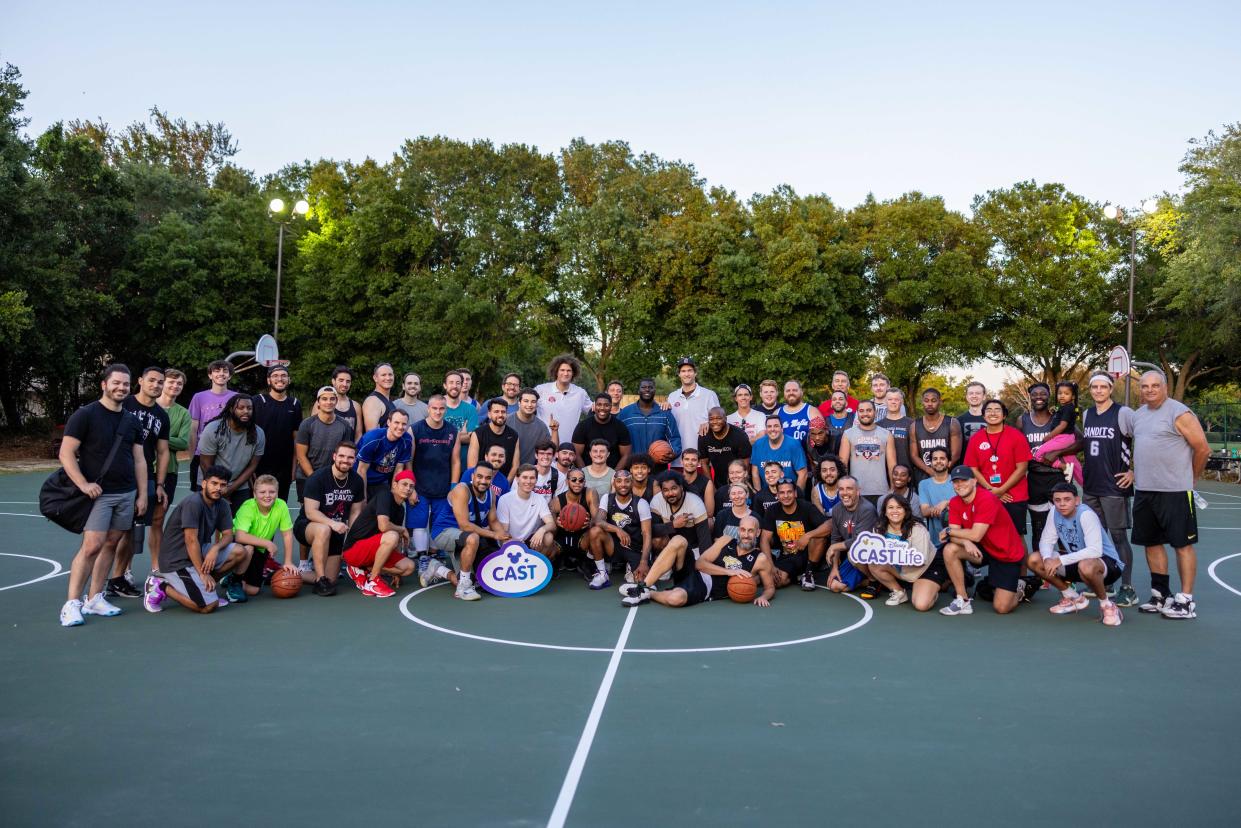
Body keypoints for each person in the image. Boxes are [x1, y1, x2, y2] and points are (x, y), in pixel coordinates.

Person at [57, 364, 148, 627]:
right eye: (116, 383)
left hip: (126, 492)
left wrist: (142, 494)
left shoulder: (131, 420)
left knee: (111, 544)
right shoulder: (85, 415)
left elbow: (140, 460)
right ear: (104, 385)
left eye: (125, 384)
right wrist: (84, 484)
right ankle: (71, 604)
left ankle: (95, 598)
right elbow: (66, 453)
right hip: (99, 494)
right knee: (92, 546)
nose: (121, 388)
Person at [1130, 370, 1210, 619]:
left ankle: (1185, 601)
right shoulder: (1138, 416)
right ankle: (1160, 594)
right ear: (1140, 390)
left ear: (1164, 387)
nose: (1150, 390)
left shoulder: (1179, 412)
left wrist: (1191, 478)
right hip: (1145, 491)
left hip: (1175, 491)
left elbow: (1203, 449)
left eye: (1155, 385)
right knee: (1151, 542)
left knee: (1181, 544)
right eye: (1145, 386)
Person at [1062, 373, 1137, 606]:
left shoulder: (1123, 413)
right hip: (1092, 485)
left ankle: (1127, 587)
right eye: (1094, 387)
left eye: (1103, 387)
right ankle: (1107, 583)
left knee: (1118, 536)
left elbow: (1143, 440)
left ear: (1111, 388)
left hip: (1115, 485)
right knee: (1097, 537)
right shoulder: (1087, 414)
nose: (1098, 391)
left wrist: (1133, 471)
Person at [106, 366, 170, 599]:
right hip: (119, 475)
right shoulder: (125, 405)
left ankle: (117, 578)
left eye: (160, 382)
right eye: (151, 380)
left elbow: (162, 452)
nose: (156, 385)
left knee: (135, 530)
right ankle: (112, 578)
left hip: (146, 477)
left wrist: (160, 484)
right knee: (116, 532)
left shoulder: (162, 415)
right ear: (140, 381)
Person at [142, 465, 241, 615]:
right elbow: (190, 540)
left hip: (198, 552)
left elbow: (227, 534)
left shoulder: (223, 505)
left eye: (222, 485)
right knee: (208, 607)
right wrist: (202, 573)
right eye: (214, 483)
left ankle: (206, 590)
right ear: (204, 483)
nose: (218, 488)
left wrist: (215, 549)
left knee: (240, 552)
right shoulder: (193, 503)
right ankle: (161, 586)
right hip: (176, 560)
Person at [623, 517, 776, 609]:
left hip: (706, 588)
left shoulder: (760, 559)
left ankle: (649, 593)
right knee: (678, 540)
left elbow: (769, 587)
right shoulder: (726, 540)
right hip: (693, 571)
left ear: (757, 532)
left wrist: (764, 597)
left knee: (675, 599)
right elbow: (700, 563)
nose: (746, 535)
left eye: (750, 531)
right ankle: (642, 588)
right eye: (743, 530)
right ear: (738, 531)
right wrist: (729, 572)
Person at [937, 465, 1028, 617]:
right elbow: (954, 537)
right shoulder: (955, 502)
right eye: (956, 482)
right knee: (950, 549)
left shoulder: (986, 498)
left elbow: (975, 535)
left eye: (964, 480)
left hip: (1006, 553)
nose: (959, 485)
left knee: (1002, 607)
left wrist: (949, 531)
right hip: (983, 549)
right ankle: (962, 600)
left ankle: (1020, 589)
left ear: (974, 481)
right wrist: (965, 542)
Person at [1030, 482, 1124, 626]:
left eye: (1067, 499)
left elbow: (1095, 550)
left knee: (1086, 565)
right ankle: (1073, 597)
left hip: (1107, 565)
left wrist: (1060, 560)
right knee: (1035, 559)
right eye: (1057, 500)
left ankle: (1107, 605)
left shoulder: (1086, 515)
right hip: (1077, 562)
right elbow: (1046, 540)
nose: (1062, 504)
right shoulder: (1054, 512)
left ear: (1077, 500)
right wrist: (1048, 558)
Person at [294, 442, 366, 596]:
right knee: (324, 529)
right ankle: (320, 580)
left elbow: (355, 512)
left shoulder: (357, 481)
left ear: (354, 460)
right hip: (308, 527)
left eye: (350, 457)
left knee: (332, 579)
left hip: (336, 531)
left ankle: (290, 574)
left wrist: (350, 540)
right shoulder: (318, 477)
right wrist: (333, 523)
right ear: (334, 456)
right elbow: (311, 512)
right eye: (341, 456)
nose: (345, 460)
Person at [431, 464, 504, 601]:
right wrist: (494, 535)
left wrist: (507, 539)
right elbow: (464, 525)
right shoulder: (462, 490)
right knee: (473, 537)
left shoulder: (491, 494)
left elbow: (493, 522)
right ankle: (463, 587)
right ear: (472, 477)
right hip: (444, 532)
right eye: (479, 477)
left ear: (491, 480)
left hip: (466, 538)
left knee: (476, 579)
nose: (483, 481)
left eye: (488, 478)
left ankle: (438, 569)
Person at [340, 470, 418, 598]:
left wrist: (396, 573)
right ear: (394, 485)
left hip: (375, 549)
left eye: (411, 486)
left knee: (409, 567)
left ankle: (365, 569)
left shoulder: (400, 509)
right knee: (392, 535)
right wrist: (402, 529)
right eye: (404, 484)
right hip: (354, 549)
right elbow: (384, 526)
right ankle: (373, 581)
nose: (408, 489)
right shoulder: (385, 495)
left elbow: (396, 541)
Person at [962, 398, 1031, 542]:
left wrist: (1001, 490)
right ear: (983, 415)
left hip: (1014, 496)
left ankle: (1022, 565)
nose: (993, 413)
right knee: (991, 536)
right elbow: (972, 468)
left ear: (1004, 415)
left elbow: (1022, 468)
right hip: (987, 495)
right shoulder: (976, 438)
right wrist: (991, 489)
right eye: (989, 410)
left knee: (1017, 537)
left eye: (997, 410)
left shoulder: (1016, 436)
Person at [228, 474, 296, 601]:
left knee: (253, 590)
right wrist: (267, 543)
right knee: (248, 548)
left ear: (277, 493)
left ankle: (234, 574)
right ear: (254, 494)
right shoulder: (248, 507)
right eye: (262, 492)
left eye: (272, 492)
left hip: (258, 546)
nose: (267, 495)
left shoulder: (281, 505)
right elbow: (240, 536)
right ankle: (235, 581)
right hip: (233, 543)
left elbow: (287, 534)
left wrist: (288, 561)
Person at [408, 395, 459, 564]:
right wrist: (411, 487)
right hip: (420, 486)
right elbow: (409, 460)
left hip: (443, 487)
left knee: (439, 524)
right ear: (428, 409)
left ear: (446, 409)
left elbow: (456, 461)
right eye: (434, 408)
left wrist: (453, 487)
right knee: (419, 523)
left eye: (441, 408)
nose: (438, 412)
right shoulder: (414, 429)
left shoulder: (452, 431)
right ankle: (423, 557)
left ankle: (435, 555)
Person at [583, 468, 653, 587]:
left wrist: (644, 561)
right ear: (614, 483)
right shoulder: (607, 498)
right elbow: (598, 521)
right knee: (595, 531)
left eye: (627, 481)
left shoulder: (641, 503)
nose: (623, 485)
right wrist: (617, 530)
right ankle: (602, 574)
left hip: (635, 548)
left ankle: (631, 567)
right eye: (619, 481)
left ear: (632, 483)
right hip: (614, 545)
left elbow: (647, 534)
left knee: (643, 583)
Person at [197, 394, 266, 513]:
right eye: (241, 408)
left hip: (239, 485)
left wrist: (231, 489)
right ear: (231, 409)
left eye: (249, 408)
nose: (246, 411)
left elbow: (253, 465)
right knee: (207, 525)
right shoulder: (214, 429)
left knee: (238, 526)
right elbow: (205, 464)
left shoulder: (258, 433)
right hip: (211, 483)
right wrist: (220, 487)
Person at [866, 494, 935, 607]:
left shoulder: (917, 529)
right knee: (873, 563)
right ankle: (899, 592)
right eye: (891, 507)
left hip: (923, 570)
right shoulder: (878, 528)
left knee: (921, 605)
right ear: (885, 511)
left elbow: (921, 560)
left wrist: (894, 555)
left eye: (899, 507)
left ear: (905, 510)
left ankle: (931, 590)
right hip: (901, 569)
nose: (895, 511)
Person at [760, 480, 831, 591]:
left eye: (789, 492)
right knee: (778, 582)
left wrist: (808, 536)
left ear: (795, 493)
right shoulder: (772, 510)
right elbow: (764, 539)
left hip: (809, 555)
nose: (786, 496)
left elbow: (829, 525)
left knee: (819, 536)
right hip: (787, 556)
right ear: (777, 495)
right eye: (782, 493)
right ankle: (797, 577)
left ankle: (808, 574)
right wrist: (770, 566)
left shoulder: (806, 507)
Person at [1019, 383, 1063, 551]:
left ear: (1049, 395)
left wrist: (1058, 452)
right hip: (1035, 479)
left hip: (1057, 477)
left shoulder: (1058, 419)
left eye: (1043, 393)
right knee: (1039, 529)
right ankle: (1041, 573)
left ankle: (1066, 574)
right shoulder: (1022, 420)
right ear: (1030, 396)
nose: (1039, 397)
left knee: (1063, 528)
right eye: (1035, 394)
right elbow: (1016, 448)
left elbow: (1080, 441)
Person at [251, 365, 302, 502]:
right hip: (260, 464)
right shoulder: (257, 401)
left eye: (283, 375)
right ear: (269, 380)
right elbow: (249, 435)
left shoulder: (295, 404)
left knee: (279, 506)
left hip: (284, 467)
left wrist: (294, 467)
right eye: (275, 376)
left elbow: (296, 439)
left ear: (289, 380)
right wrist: (251, 467)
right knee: (257, 506)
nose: (280, 379)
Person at [187, 359, 237, 492]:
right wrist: (193, 455)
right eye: (217, 370)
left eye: (225, 371)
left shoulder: (237, 398)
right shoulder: (199, 397)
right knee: (201, 493)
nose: (221, 374)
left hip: (228, 454)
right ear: (210, 375)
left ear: (230, 376)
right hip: (203, 454)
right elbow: (193, 429)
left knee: (225, 492)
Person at [824, 476, 878, 596]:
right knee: (834, 586)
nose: (845, 493)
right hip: (853, 556)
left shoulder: (867, 509)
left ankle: (874, 579)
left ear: (858, 491)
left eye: (849, 489)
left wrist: (834, 547)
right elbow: (835, 538)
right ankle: (866, 581)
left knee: (853, 553)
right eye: (841, 489)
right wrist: (834, 568)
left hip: (870, 557)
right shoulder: (837, 509)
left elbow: (860, 542)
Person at [665, 357, 720, 470]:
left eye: (690, 370)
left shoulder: (709, 395)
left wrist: (709, 423)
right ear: (679, 374)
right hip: (678, 459)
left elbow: (720, 421)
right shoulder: (672, 397)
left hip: (703, 459)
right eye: (683, 371)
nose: (687, 374)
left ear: (695, 373)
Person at [496, 465, 558, 560]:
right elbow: (503, 532)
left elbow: (551, 524)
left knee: (548, 537)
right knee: (506, 542)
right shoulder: (505, 499)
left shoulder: (540, 499)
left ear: (536, 480)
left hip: (529, 540)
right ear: (517, 479)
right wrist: (517, 544)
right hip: (510, 540)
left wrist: (541, 530)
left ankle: (537, 565)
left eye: (532, 478)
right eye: (525, 477)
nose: (528, 482)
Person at [839, 400, 895, 506]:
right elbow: (843, 464)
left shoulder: (886, 434)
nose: (865, 413)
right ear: (857, 413)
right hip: (856, 491)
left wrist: (892, 488)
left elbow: (892, 464)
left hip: (881, 490)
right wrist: (846, 489)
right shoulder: (848, 434)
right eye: (861, 411)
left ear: (875, 412)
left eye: (869, 410)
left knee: (880, 522)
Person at [355, 408, 413, 499]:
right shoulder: (373, 438)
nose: (400, 427)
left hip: (382, 482)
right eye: (396, 423)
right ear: (389, 422)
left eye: (404, 424)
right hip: (361, 479)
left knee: (387, 505)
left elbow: (399, 469)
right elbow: (361, 470)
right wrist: (363, 498)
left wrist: (394, 493)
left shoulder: (407, 440)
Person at [550, 468, 599, 575]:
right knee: (548, 539)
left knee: (597, 530)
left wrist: (590, 522)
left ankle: (587, 560)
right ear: (567, 481)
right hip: (562, 539)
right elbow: (551, 526)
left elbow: (597, 519)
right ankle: (556, 559)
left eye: (581, 480)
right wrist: (556, 523)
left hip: (583, 539)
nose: (577, 483)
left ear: (584, 482)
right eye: (574, 480)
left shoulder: (590, 493)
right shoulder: (556, 501)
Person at [910, 388, 962, 483]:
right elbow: (914, 455)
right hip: (924, 476)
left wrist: (942, 471)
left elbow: (956, 455)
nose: (930, 403)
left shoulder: (952, 423)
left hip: (947, 475)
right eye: (926, 400)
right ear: (922, 402)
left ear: (940, 402)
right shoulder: (914, 425)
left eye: (933, 400)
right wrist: (929, 470)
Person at [156, 368, 190, 509]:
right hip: (144, 468)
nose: (175, 386)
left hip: (170, 470)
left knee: (159, 517)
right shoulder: (149, 406)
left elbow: (183, 443)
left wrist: (157, 437)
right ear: (163, 383)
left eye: (179, 383)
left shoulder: (183, 413)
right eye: (171, 382)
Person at [573, 392, 632, 469]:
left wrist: (615, 476)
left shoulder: (620, 427)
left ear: (611, 406)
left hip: (612, 473)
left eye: (606, 405)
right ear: (594, 406)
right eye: (599, 404)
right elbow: (576, 454)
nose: (602, 408)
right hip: (587, 473)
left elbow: (626, 455)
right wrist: (584, 475)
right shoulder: (583, 426)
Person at [535, 353, 593, 431]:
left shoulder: (580, 393)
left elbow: (594, 410)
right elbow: (526, 407)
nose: (565, 373)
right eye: (562, 370)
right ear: (556, 372)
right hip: (544, 442)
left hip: (570, 442)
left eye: (569, 371)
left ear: (573, 373)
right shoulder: (540, 390)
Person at [468, 397, 521, 480]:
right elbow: (472, 466)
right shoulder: (478, 434)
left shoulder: (514, 435)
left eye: (503, 412)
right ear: (489, 414)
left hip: (504, 483)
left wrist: (505, 485)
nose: (500, 415)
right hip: (481, 482)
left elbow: (515, 466)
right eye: (496, 412)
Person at [750, 415, 807, 490]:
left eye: (776, 426)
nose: (772, 429)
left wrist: (797, 496)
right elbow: (755, 473)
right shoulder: (758, 444)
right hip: (767, 493)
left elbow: (803, 474)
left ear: (782, 429)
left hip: (789, 493)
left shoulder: (793, 444)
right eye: (769, 426)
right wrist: (758, 496)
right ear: (766, 430)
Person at [698, 406, 751, 484]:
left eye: (719, 418)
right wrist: (711, 486)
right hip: (718, 482)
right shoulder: (704, 435)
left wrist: (740, 485)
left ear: (725, 418)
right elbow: (704, 463)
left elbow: (746, 464)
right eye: (711, 419)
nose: (715, 422)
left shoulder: (739, 435)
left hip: (739, 481)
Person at [917, 447, 955, 544]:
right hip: (935, 541)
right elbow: (924, 511)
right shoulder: (924, 484)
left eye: (942, 458)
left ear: (949, 462)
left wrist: (946, 503)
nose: (938, 461)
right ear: (931, 463)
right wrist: (941, 508)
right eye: (935, 459)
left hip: (958, 538)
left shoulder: (957, 481)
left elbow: (966, 504)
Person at [442, 370, 478, 473]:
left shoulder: (471, 409)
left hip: (463, 465)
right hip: (441, 464)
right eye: (451, 382)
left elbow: (473, 438)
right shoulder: (437, 408)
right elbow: (434, 436)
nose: (455, 386)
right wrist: (461, 435)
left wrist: (446, 436)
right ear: (445, 385)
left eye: (458, 383)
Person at [511, 388, 555, 466]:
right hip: (505, 471)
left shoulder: (541, 426)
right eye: (526, 401)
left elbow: (551, 448)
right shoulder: (507, 421)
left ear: (537, 404)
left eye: (533, 402)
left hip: (529, 473)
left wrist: (555, 431)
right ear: (519, 403)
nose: (530, 405)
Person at [878, 389, 915, 473]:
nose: (893, 402)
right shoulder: (878, 426)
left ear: (901, 402)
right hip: (884, 472)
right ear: (885, 401)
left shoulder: (912, 424)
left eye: (896, 399)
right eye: (890, 399)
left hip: (907, 471)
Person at [678, 448, 716, 519]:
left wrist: (689, 519)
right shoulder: (676, 480)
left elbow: (709, 513)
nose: (690, 463)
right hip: (678, 519)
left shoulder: (707, 483)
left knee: (710, 521)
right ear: (681, 462)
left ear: (699, 463)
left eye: (694, 460)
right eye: (687, 459)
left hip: (698, 520)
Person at [330, 365, 364, 441]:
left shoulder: (356, 406)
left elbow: (358, 435)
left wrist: (355, 452)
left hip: (349, 451)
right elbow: (314, 431)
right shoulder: (323, 403)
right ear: (333, 381)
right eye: (341, 380)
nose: (345, 384)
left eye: (348, 381)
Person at [361, 362, 398, 431]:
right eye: (383, 375)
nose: (388, 378)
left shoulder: (389, 402)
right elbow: (371, 436)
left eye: (390, 374)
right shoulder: (372, 401)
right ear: (375, 378)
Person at [821, 390, 855, 456]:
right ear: (831, 404)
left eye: (841, 399)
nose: (837, 401)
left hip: (852, 460)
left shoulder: (855, 418)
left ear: (846, 403)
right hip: (831, 461)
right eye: (834, 399)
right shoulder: (824, 421)